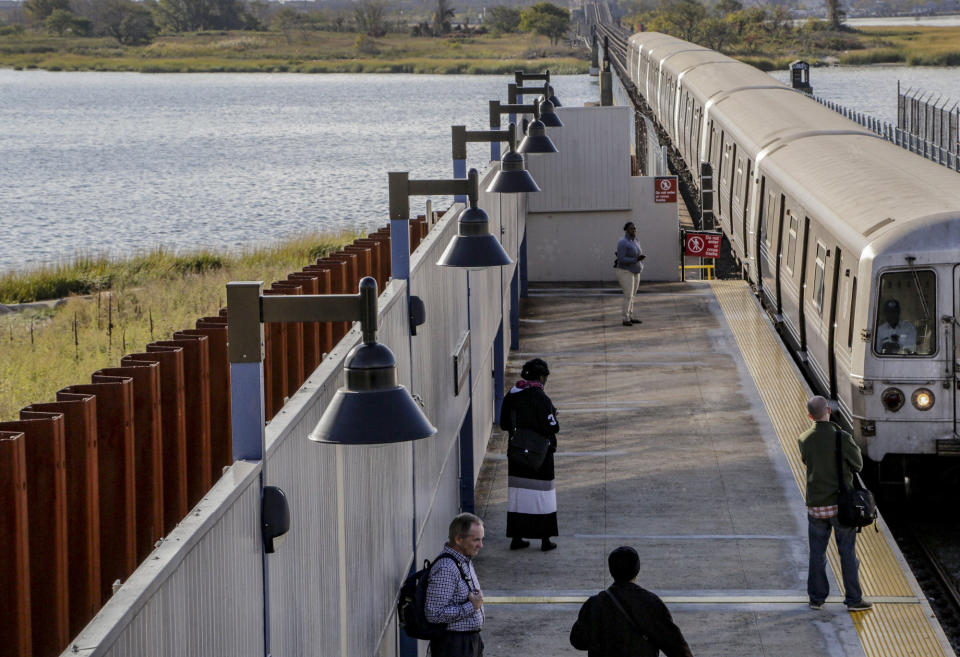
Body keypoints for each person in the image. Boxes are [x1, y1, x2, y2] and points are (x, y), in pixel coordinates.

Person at [798, 395, 873, 612]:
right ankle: (853, 599)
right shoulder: (842, 437)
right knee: (847, 552)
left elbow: (807, 461)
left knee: (817, 553)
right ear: (828, 411)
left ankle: (816, 598)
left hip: (816, 505)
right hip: (841, 506)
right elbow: (858, 464)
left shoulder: (804, 438)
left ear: (810, 416)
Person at [570, 546, 693, 657]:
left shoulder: (594, 604)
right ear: (636, 569)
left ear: (611, 570)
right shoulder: (650, 603)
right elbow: (676, 646)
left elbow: (578, 641)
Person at [498, 357, 560, 552]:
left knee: (518, 495)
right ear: (541, 377)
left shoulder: (512, 394)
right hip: (540, 456)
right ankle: (544, 539)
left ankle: (517, 537)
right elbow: (552, 427)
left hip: (517, 454)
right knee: (543, 496)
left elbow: (504, 424)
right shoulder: (541, 398)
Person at [425, 513, 486, 657]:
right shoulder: (446, 568)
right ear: (458, 539)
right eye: (476, 540)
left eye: (482, 539)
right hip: (454, 646)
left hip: (468, 642)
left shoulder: (464, 559)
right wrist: (472, 607)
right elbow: (434, 614)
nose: (481, 545)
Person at [615, 222, 645, 327]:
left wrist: (640, 260)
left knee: (633, 295)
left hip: (636, 271)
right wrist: (636, 259)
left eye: (635, 228)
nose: (634, 230)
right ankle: (625, 318)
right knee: (628, 295)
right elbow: (621, 259)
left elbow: (637, 253)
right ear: (626, 230)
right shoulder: (622, 242)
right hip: (625, 271)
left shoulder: (636, 240)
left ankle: (631, 316)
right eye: (632, 229)